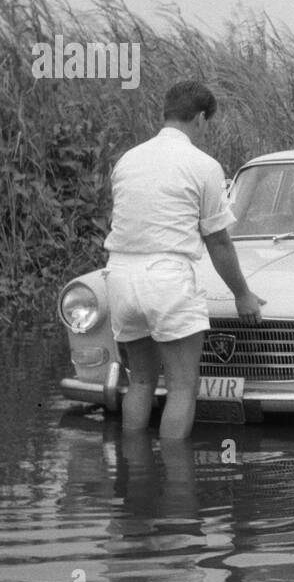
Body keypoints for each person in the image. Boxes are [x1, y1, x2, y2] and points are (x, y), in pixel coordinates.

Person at [102, 81, 265, 438]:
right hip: (166, 278)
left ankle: (135, 473)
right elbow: (219, 242)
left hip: (119, 275)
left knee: (141, 382)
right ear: (201, 118)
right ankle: (178, 485)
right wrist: (242, 294)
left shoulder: (128, 160)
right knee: (181, 387)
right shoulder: (202, 165)